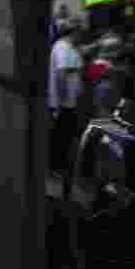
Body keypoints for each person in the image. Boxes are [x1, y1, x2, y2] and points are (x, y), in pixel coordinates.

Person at [48, 18, 86, 174]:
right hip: (65, 103)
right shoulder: (64, 47)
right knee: (62, 137)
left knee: (62, 136)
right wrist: (62, 99)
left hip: (66, 102)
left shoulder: (65, 46)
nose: (81, 37)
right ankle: (57, 166)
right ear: (74, 32)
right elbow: (62, 74)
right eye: (80, 33)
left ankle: (57, 165)